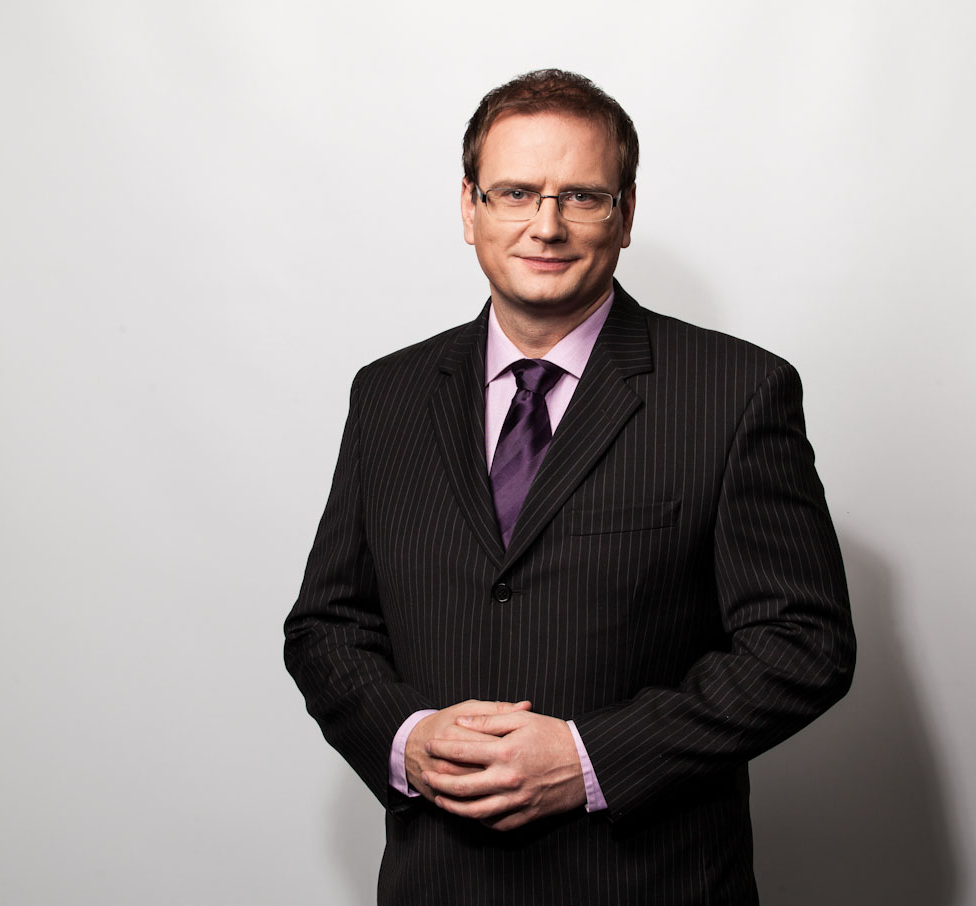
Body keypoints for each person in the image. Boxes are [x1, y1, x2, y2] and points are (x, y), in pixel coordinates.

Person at [284, 69, 855, 906]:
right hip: (438, 884)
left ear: (625, 214)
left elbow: (802, 643)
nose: (545, 225)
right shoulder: (387, 395)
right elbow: (328, 625)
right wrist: (406, 739)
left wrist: (590, 760)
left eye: (581, 197)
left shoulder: (735, 392)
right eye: (515, 192)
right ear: (470, 207)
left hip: (647, 885)